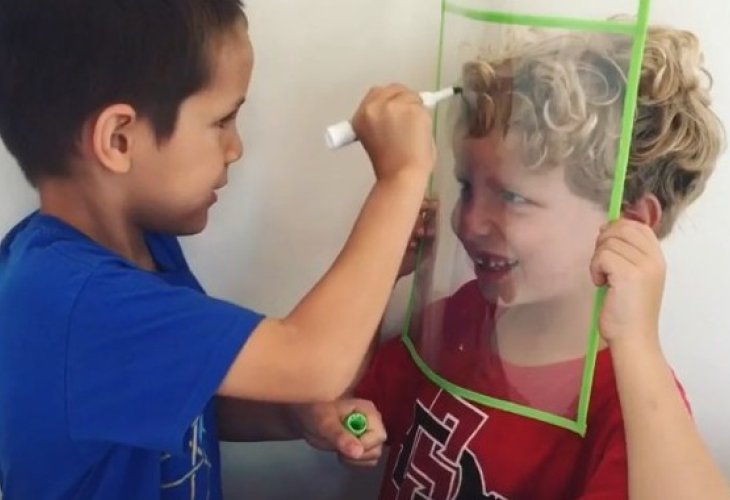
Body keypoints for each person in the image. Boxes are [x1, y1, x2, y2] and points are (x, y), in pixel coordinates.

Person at [0, 1, 435, 498]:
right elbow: (313, 363)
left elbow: (169, 401)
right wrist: (401, 178)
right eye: (223, 120)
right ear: (119, 140)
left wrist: (292, 416)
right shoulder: (71, 301)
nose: (236, 148)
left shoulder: (133, 249)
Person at [302, 25, 730, 499]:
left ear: (629, 222)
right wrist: (346, 422)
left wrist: (639, 345)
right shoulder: (461, 317)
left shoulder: (634, 404)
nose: (469, 222)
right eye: (466, 187)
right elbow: (355, 404)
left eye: (512, 197)